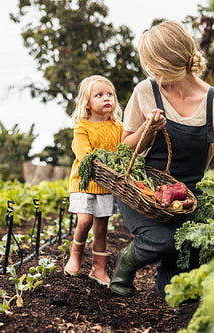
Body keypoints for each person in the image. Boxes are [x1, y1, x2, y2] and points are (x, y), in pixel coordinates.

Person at [109, 20, 214, 297]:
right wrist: (147, 128)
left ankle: (167, 267)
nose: (151, 71)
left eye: (154, 64)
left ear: (170, 62)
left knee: (176, 290)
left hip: (187, 199)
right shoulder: (145, 92)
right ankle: (126, 261)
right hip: (142, 190)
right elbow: (125, 147)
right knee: (162, 240)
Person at [64, 75, 124, 287]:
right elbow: (84, 155)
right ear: (87, 103)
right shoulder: (82, 126)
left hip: (107, 185)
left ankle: (98, 269)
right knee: (85, 221)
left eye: (110, 94)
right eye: (99, 95)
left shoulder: (118, 127)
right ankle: (76, 255)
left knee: (101, 228)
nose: (106, 98)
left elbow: (124, 149)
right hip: (84, 182)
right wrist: (108, 164)